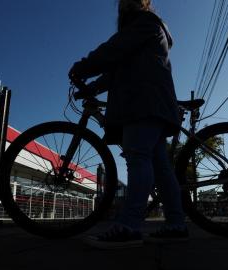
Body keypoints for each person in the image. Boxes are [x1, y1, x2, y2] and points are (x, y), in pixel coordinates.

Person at [69, 0, 188, 249]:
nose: (123, 6)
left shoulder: (144, 24)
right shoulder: (147, 28)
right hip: (151, 102)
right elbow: (117, 69)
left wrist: (83, 66)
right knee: (160, 167)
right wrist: (91, 87)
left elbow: (114, 50)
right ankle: (177, 224)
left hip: (142, 101)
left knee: (138, 157)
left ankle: (130, 226)